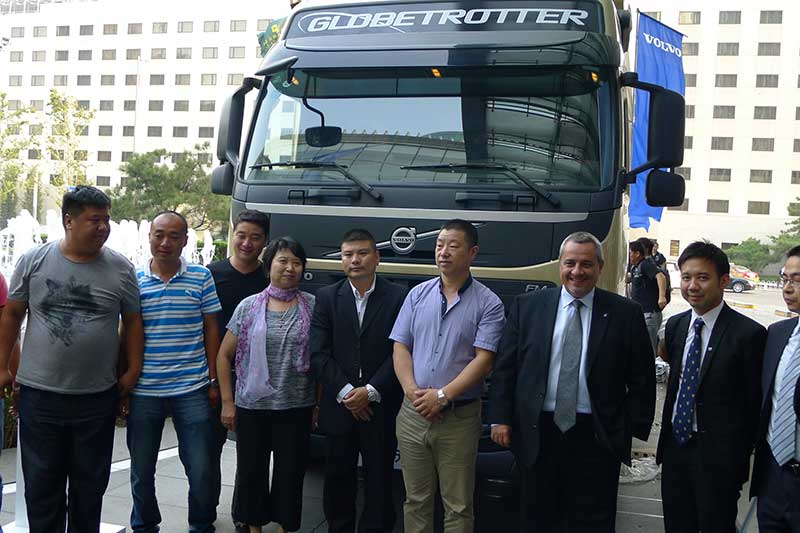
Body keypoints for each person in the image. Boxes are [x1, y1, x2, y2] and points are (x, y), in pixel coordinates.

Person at [489, 231, 655, 532]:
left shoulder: (625, 313)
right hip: (539, 431)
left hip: (596, 435)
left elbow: (642, 378)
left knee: (591, 520)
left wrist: (626, 428)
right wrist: (500, 418)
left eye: (586, 264)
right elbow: (506, 369)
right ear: (560, 266)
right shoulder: (528, 307)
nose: (577, 272)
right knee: (538, 517)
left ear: (600, 268)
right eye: (570, 263)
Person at [0, 186, 144, 532]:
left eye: (106, 220)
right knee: (41, 485)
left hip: (95, 397)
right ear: (68, 220)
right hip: (40, 395)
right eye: (94, 220)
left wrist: (132, 371)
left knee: (89, 486)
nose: (103, 228)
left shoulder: (121, 268)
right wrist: (2, 366)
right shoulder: (33, 260)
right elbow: (12, 315)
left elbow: (134, 321)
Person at [390, 219, 505, 533]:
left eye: (453, 246)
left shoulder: (489, 304)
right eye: (440, 245)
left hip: (458, 418)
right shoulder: (416, 295)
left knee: (457, 504)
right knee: (415, 499)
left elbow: (483, 360)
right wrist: (415, 393)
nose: (443, 252)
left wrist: (441, 396)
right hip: (413, 414)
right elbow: (401, 347)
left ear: (472, 252)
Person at [657, 241, 766, 533]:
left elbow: (753, 403)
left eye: (702, 277)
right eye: (687, 277)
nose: (693, 285)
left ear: (724, 280)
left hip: (719, 459)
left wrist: (738, 458)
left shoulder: (749, 334)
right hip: (677, 449)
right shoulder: (677, 326)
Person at [128, 211, 222, 533]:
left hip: (191, 388)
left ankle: (200, 525)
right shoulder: (134, 280)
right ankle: (144, 526)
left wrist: (213, 380)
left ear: (185, 240)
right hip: (145, 390)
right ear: (150, 236)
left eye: (174, 236)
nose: (165, 243)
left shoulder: (200, 277)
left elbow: (212, 329)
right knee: (141, 469)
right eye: (159, 235)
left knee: (200, 468)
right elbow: (127, 332)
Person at [310, 229, 407, 533]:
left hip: (381, 405)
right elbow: (317, 352)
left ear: (377, 258)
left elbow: (402, 351)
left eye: (362, 253)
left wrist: (372, 391)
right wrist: (348, 393)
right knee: (338, 478)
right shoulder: (326, 297)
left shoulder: (399, 296)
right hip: (340, 406)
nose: (355, 260)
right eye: (348, 254)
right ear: (342, 260)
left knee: (380, 479)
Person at [218, 237, 316, 533]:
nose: (289, 268)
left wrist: (318, 405)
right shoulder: (248, 306)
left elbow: (321, 359)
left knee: (291, 473)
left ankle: (286, 526)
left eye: (296, 262)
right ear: (269, 265)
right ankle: (254, 527)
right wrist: (227, 401)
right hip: (252, 406)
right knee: (251, 472)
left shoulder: (313, 306)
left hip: (296, 406)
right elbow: (224, 355)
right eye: (282, 261)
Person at [207, 209, 270, 521]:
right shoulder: (211, 274)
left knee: (252, 455)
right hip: (216, 376)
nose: (247, 243)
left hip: (257, 380)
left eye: (255, 237)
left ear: (265, 242)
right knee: (208, 452)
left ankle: (243, 514)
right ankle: (204, 512)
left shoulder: (269, 279)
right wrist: (212, 382)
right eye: (241, 235)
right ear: (232, 235)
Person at [752, 245, 800, 531]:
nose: (788, 287)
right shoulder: (778, 335)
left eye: (798, 279)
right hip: (773, 478)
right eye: (785, 278)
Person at [629, 238, 667, 354]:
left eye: (630, 253)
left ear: (637, 253)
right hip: (642, 314)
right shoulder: (636, 267)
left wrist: (662, 296)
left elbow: (660, 276)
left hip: (649, 314)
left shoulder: (646, 264)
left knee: (648, 349)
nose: (629, 256)